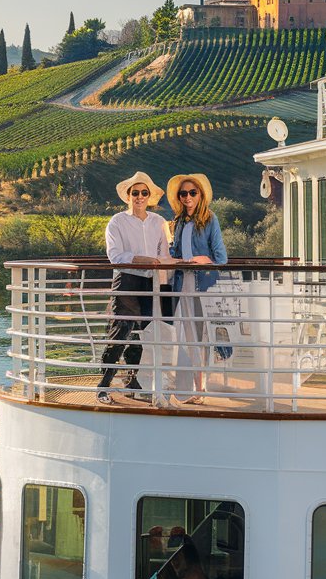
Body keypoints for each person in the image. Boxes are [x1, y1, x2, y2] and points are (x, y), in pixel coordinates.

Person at [96, 171, 171, 405]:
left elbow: (164, 255)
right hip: (126, 279)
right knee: (121, 330)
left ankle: (131, 381)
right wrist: (142, 260)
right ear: (128, 196)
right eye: (135, 193)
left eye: (144, 193)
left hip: (150, 282)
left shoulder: (159, 223)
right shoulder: (117, 222)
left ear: (150, 196)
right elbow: (115, 256)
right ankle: (103, 384)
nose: (139, 196)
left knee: (141, 331)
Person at [166, 173, 228, 405]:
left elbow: (221, 258)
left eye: (193, 192)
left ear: (200, 195)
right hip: (183, 285)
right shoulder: (179, 222)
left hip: (203, 286)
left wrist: (204, 259)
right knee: (186, 337)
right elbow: (175, 254)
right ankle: (192, 387)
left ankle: (200, 389)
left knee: (200, 337)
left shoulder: (211, 219)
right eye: (183, 193)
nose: (188, 197)